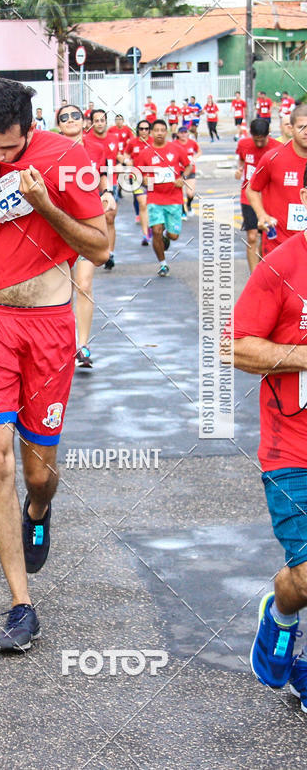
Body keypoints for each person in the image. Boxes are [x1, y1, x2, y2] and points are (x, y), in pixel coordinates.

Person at [0, 78, 109, 652]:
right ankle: (19, 604)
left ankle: (39, 510)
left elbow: (99, 247)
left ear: (29, 131)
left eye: (8, 150)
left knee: (38, 474)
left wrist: (45, 205)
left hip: (50, 325)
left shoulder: (68, 156)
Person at [232, 174, 307, 704]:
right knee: (302, 578)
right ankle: (280, 615)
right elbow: (237, 348)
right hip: (292, 451)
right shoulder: (282, 265)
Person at [57, 104, 116, 370]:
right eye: (64, 117)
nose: (70, 120)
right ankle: (63, 344)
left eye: (75, 116)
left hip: (88, 225)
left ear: (85, 122)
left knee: (84, 284)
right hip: (58, 227)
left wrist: (107, 193)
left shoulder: (96, 149)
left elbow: (102, 177)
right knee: (61, 290)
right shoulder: (51, 149)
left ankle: (83, 346)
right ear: (58, 124)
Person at [247, 103, 307, 258]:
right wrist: (262, 215)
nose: (306, 132)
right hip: (279, 245)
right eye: (301, 127)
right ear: (291, 128)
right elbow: (252, 189)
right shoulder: (273, 158)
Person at [139, 119, 192, 277]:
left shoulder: (175, 149)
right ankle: (163, 264)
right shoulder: (145, 153)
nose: (160, 133)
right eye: (156, 130)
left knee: (174, 236)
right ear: (151, 133)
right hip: (155, 198)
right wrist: (143, 180)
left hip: (174, 198)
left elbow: (188, 165)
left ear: (167, 132)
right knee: (156, 230)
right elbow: (137, 173)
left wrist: (182, 178)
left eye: (163, 130)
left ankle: (166, 238)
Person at [235, 119, 278, 273]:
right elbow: (241, 159)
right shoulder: (243, 144)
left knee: (266, 238)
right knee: (252, 237)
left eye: (262, 140)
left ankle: (262, 270)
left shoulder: (277, 148)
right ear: (251, 135)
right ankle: (254, 276)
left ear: (268, 134)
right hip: (248, 196)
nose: (259, 143)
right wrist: (240, 170)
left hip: (269, 198)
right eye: (256, 139)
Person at [85, 108, 119, 269]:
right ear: (91, 123)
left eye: (102, 120)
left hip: (110, 182)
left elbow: (111, 163)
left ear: (106, 122)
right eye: (96, 120)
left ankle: (110, 254)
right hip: (90, 186)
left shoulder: (114, 138)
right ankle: (96, 251)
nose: (99, 123)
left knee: (110, 217)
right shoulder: (86, 140)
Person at [122, 120, 153, 245]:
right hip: (136, 177)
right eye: (141, 128)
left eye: (146, 129)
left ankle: (153, 227)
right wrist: (126, 160)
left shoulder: (153, 141)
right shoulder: (133, 142)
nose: (144, 131)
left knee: (152, 205)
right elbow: (125, 153)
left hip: (152, 177)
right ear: (138, 130)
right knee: (143, 204)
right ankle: (146, 234)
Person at [176, 126, 200, 218]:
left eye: (185, 132)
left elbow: (199, 151)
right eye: (181, 133)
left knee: (190, 193)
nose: (183, 134)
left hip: (190, 170)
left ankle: (188, 205)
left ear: (188, 133)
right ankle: (182, 212)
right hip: (179, 171)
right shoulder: (175, 144)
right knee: (179, 193)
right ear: (178, 134)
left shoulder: (192, 143)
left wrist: (195, 157)